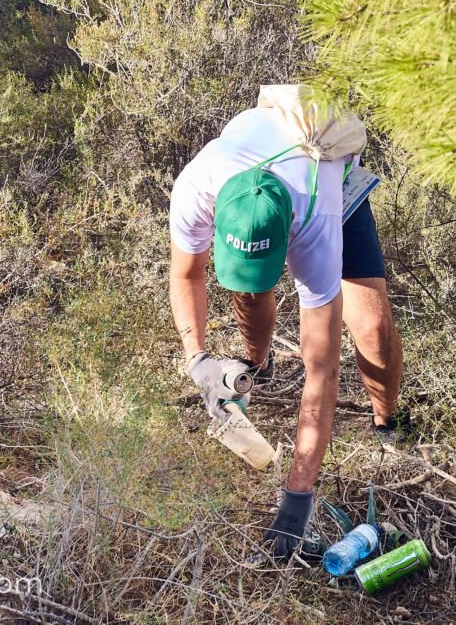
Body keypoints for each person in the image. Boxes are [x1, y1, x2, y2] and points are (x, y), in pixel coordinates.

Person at [168, 101, 410, 560]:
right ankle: (255, 364)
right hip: (272, 183)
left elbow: (322, 373)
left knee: (373, 329)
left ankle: (388, 423)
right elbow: (185, 275)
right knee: (251, 290)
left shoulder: (317, 220)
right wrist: (196, 358)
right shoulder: (196, 188)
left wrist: (297, 499)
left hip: (324, 181)